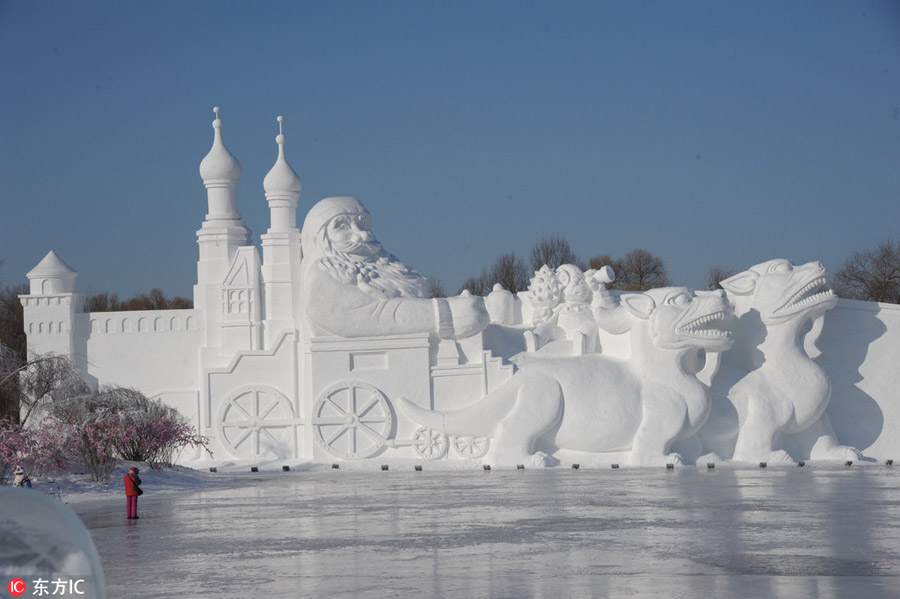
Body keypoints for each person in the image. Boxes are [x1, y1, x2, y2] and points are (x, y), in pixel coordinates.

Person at [300, 196, 489, 339]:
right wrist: (447, 314)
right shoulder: (324, 275)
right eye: (342, 227)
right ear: (320, 237)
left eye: (362, 224)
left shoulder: (381, 264)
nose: (362, 235)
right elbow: (369, 317)